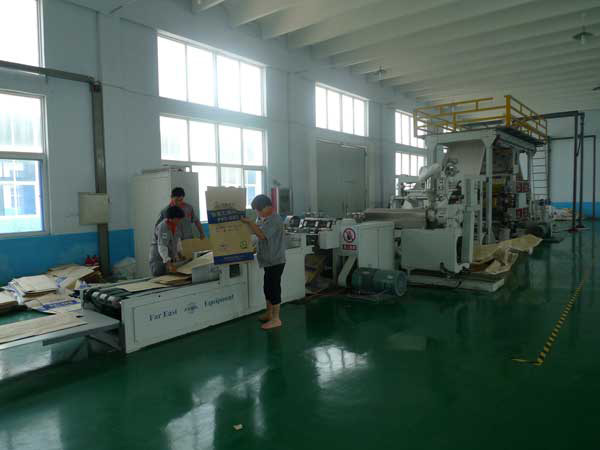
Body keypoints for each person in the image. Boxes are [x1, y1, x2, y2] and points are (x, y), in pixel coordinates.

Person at [241, 194, 286, 330]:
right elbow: (258, 235)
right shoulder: (263, 219)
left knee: (274, 288)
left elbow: (261, 235)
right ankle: (269, 313)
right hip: (267, 261)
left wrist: (250, 223)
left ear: (266, 207)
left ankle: (276, 319)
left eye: (258, 210)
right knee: (267, 288)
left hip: (275, 261)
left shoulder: (275, 220)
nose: (258, 213)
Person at [149, 205, 185, 276]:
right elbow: (162, 246)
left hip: (168, 255)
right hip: (158, 257)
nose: (179, 220)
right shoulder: (163, 226)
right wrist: (168, 262)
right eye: (178, 218)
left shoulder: (176, 225)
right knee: (159, 274)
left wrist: (180, 255)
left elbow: (177, 241)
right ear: (171, 218)